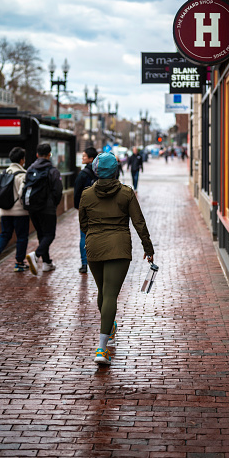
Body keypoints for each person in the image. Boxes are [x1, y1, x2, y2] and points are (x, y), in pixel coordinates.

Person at [79, 152, 154, 365]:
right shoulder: (126, 193)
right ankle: (101, 349)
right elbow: (139, 222)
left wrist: (92, 235)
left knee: (103, 292)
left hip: (94, 246)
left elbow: (82, 223)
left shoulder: (87, 194)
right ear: (115, 170)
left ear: (96, 170)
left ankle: (109, 325)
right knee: (110, 294)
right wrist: (148, 248)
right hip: (119, 247)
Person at [0, 147, 30, 273]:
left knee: (5, 234)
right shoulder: (23, 174)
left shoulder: (3, 173)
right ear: (22, 160)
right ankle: (19, 263)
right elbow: (23, 194)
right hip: (20, 212)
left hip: (4, 211)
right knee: (22, 237)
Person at [26, 143, 63, 275]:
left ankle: (47, 263)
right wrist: (53, 203)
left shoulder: (30, 169)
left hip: (33, 208)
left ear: (37, 154)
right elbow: (58, 190)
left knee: (42, 234)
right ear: (49, 155)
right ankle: (36, 256)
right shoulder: (52, 170)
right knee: (49, 234)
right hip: (47, 208)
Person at [74, 147, 98, 274]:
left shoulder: (83, 174)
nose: (82, 158)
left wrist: (78, 207)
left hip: (85, 208)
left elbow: (77, 192)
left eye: (84, 156)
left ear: (91, 159)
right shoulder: (100, 173)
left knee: (84, 235)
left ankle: (84, 264)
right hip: (99, 208)